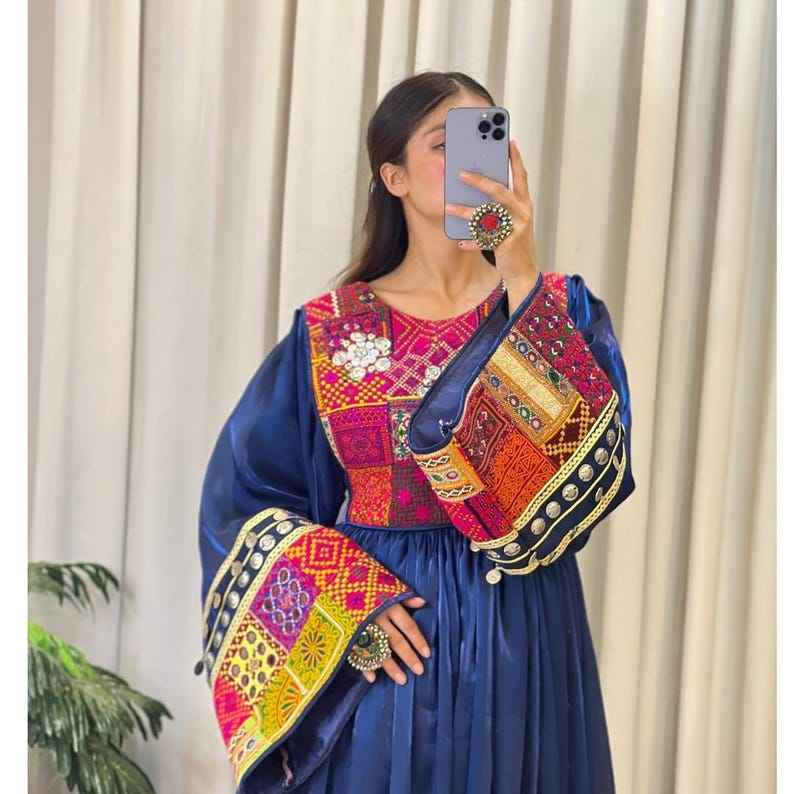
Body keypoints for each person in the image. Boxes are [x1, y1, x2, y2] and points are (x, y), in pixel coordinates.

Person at [197, 71, 635, 794]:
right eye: (443, 142)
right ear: (393, 176)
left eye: (484, 136)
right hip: (392, 630)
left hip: (521, 624)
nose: (470, 160)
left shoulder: (557, 306)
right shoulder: (334, 330)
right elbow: (242, 502)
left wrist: (520, 274)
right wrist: (345, 605)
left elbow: (588, 467)